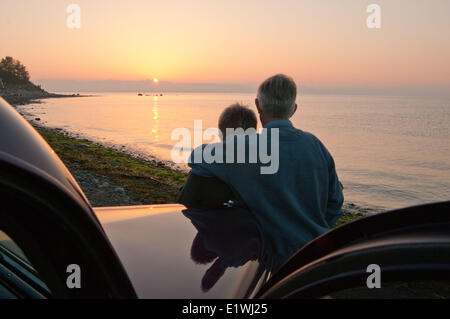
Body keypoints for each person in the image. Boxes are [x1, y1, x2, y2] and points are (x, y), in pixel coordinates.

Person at [188, 74, 344, 265]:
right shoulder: (316, 145)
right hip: (316, 258)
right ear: (293, 110)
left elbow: (196, 157)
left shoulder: (245, 148)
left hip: (277, 264)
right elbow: (335, 203)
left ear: (258, 105)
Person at [176, 103, 257, 208]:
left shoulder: (202, 166)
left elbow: (182, 207)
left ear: (220, 134)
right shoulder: (264, 170)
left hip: (205, 222)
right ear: (253, 134)